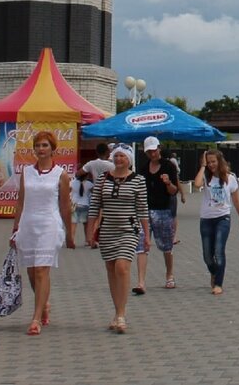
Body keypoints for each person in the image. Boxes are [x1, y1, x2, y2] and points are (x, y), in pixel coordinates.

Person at [9, 131, 76, 335]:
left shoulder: (61, 174)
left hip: (49, 223)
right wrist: (15, 227)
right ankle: (44, 303)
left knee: (41, 270)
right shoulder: (26, 172)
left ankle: (36, 318)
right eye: (38, 145)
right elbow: (21, 201)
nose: (41, 149)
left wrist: (70, 234)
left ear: (53, 149)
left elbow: (65, 206)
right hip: (28, 224)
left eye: (45, 145)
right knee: (31, 271)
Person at [88, 144, 149, 333]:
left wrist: (146, 235)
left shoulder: (138, 180)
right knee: (111, 268)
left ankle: (122, 314)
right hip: (108, 230)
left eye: (122, 156)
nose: (118, 160)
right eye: (116, 156)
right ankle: (116, 312)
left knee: (122, 267)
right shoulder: (103, 179)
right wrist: (90, 230)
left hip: (128, 229)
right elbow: (94, 205)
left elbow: (143, 208)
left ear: (129, 159)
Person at [194, 149, 239, 294]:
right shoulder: (205, 176)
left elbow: (236, 201)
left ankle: (218, 283)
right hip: (206, 219)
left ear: (219, 161)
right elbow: (197, 185)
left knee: (219, 251)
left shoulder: (230, 178)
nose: (211, 165)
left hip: (223, 218)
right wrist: (203, 167)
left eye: (213, 161)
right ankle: (214, 272)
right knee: (207, 256)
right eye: (208, 162)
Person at [135, 135, 180, 292]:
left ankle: (169, 275)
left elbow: (174, 191)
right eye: (149, 152)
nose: (152, 154)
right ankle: (141, 282)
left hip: (163, 210)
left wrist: (168, 183)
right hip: (145, 211)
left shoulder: (169, 166)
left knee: (166, 246)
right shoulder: (143, 168)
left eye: (154, 151)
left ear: (159, 149)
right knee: (141, 245)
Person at [168, 149, 186, 244]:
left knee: (172, 215)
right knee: (171, 216)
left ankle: (173, 236)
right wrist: (182, 195)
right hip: (165, 196)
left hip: (171, 195)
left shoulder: (171, 170)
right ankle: (172, 236)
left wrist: (182, 194)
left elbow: (178, 183)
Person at [71, 170, 93, 246]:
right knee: (86, 224)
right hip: (86, 205)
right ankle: (87, 240)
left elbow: (68, 191)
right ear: (87, 176)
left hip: (74, 205)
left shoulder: (72, 182)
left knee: (73, 223)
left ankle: (72, 240)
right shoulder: (90, 184)